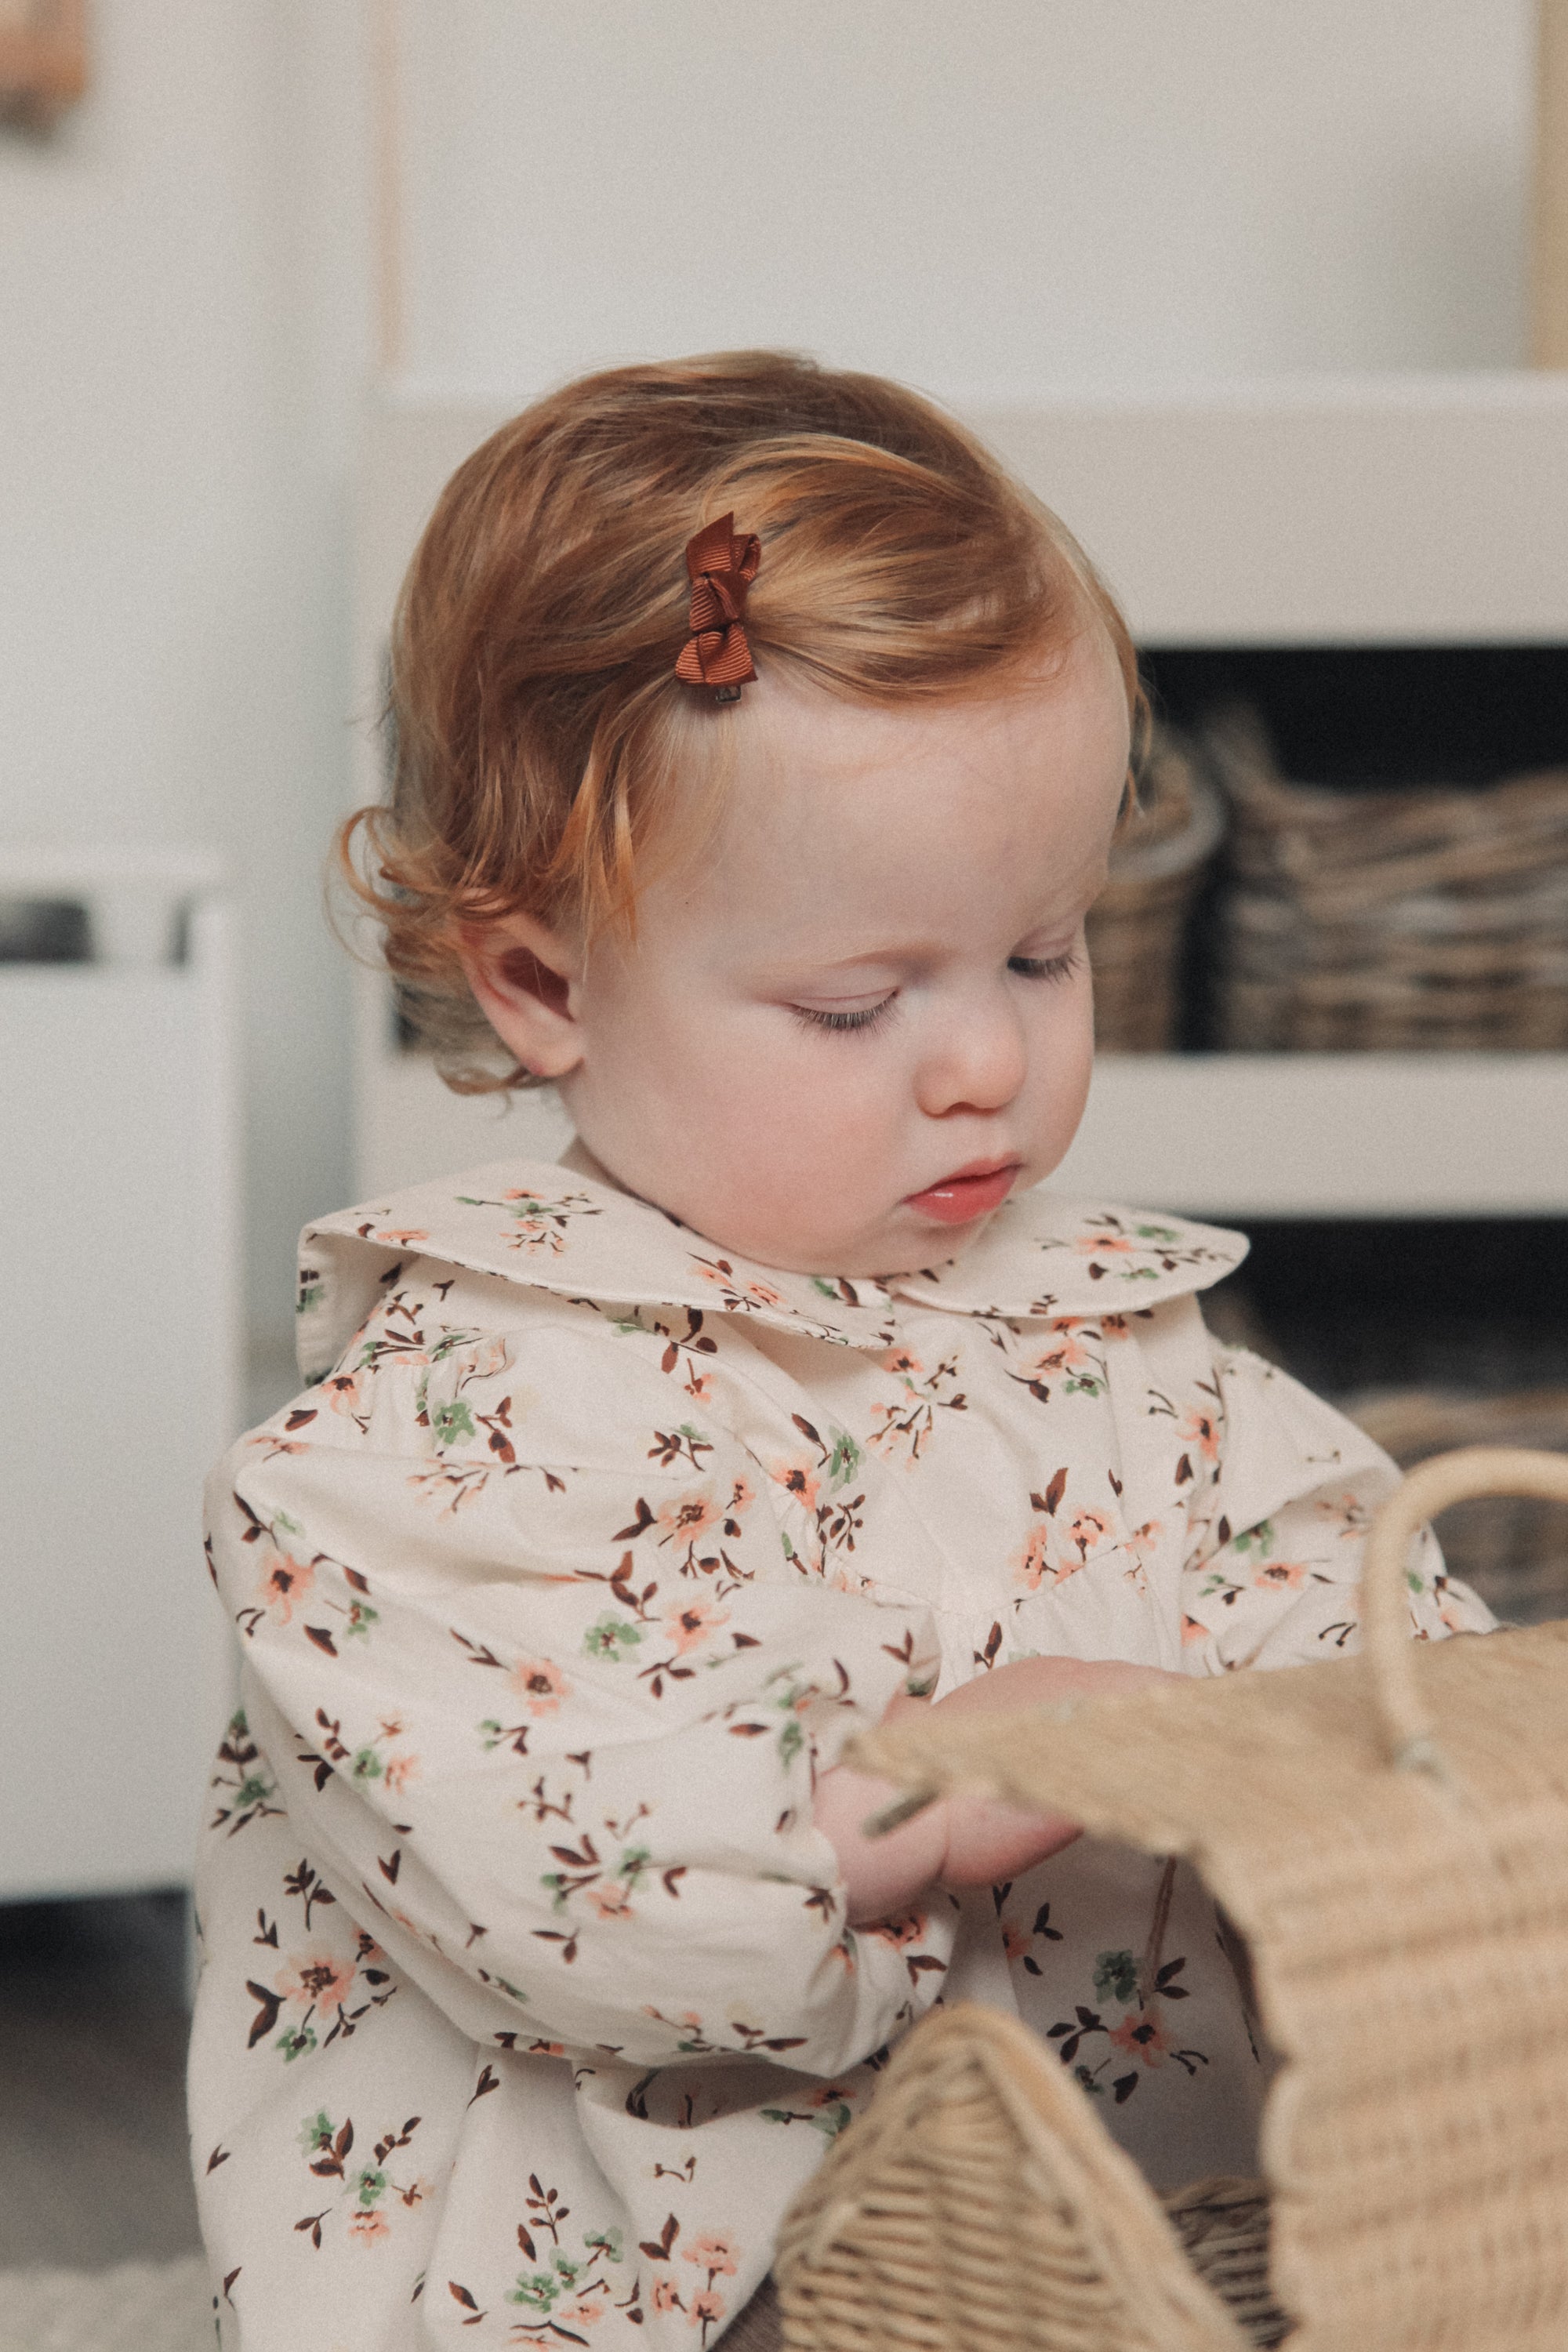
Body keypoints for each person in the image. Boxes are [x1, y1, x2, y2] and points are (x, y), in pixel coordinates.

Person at [188, 352, 1489, 2350]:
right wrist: (927, 1802)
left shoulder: (1111, 1333)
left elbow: (1338, 1595)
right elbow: (569, 1883)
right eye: (857, 1004)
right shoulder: (440, 1438)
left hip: (1108, 2233)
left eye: (1040, 953)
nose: (983, 1061)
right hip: (660, 2271)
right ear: (540, 980)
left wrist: (1412, 1740)